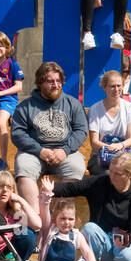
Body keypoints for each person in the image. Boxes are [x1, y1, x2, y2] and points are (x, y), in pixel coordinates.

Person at [41, 151, 131, 261]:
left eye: (117, 174)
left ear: (130, 174)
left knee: (129, 258)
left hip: (124, 240)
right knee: (89, 228)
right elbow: (73, 188)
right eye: (111, 171)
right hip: (103, 238)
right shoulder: (100, 182)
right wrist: (52, 188)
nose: (112, 176)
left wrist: (128, 238)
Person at [10, 61, 88, 212]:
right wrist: (40, 150)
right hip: (34, 153)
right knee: (23, 165)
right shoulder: (25, 106)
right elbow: (17, 133)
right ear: (40, 83)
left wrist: (65, 150)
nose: (56, 85)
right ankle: (36, 218)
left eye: (58, 81)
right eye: (50, 81)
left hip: (65, 153)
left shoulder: (73, 104)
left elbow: (81, 130)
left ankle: (60, 217)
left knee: (76, 166)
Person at [38, 197, 100, 261]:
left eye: (71, 219)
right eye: (63, 218)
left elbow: (87, 252)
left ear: (75, 219)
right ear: (55, 218)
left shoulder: (76, 235)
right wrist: (46, 196)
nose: (67, 222)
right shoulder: (50, 231)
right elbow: (44, 211)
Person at [86, 70, 131, 174]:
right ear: (104, 87)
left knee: (127, 172)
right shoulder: (95, 109)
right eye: (112, 86)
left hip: (124, 156)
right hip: (100, 157)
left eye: (119, 86)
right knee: (109, 174)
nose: (116, 89)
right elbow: (94, 142)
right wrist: (109, 148)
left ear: (123, 86)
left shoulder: (130, 108)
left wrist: (119, 146)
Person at [0, 170, 40, 261]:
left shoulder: (15, 212)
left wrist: (21, 200)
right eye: (1, 186)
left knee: (28, 234)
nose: (5, 190)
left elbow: (37, 225)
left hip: (7, 258)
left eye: (9, 187)